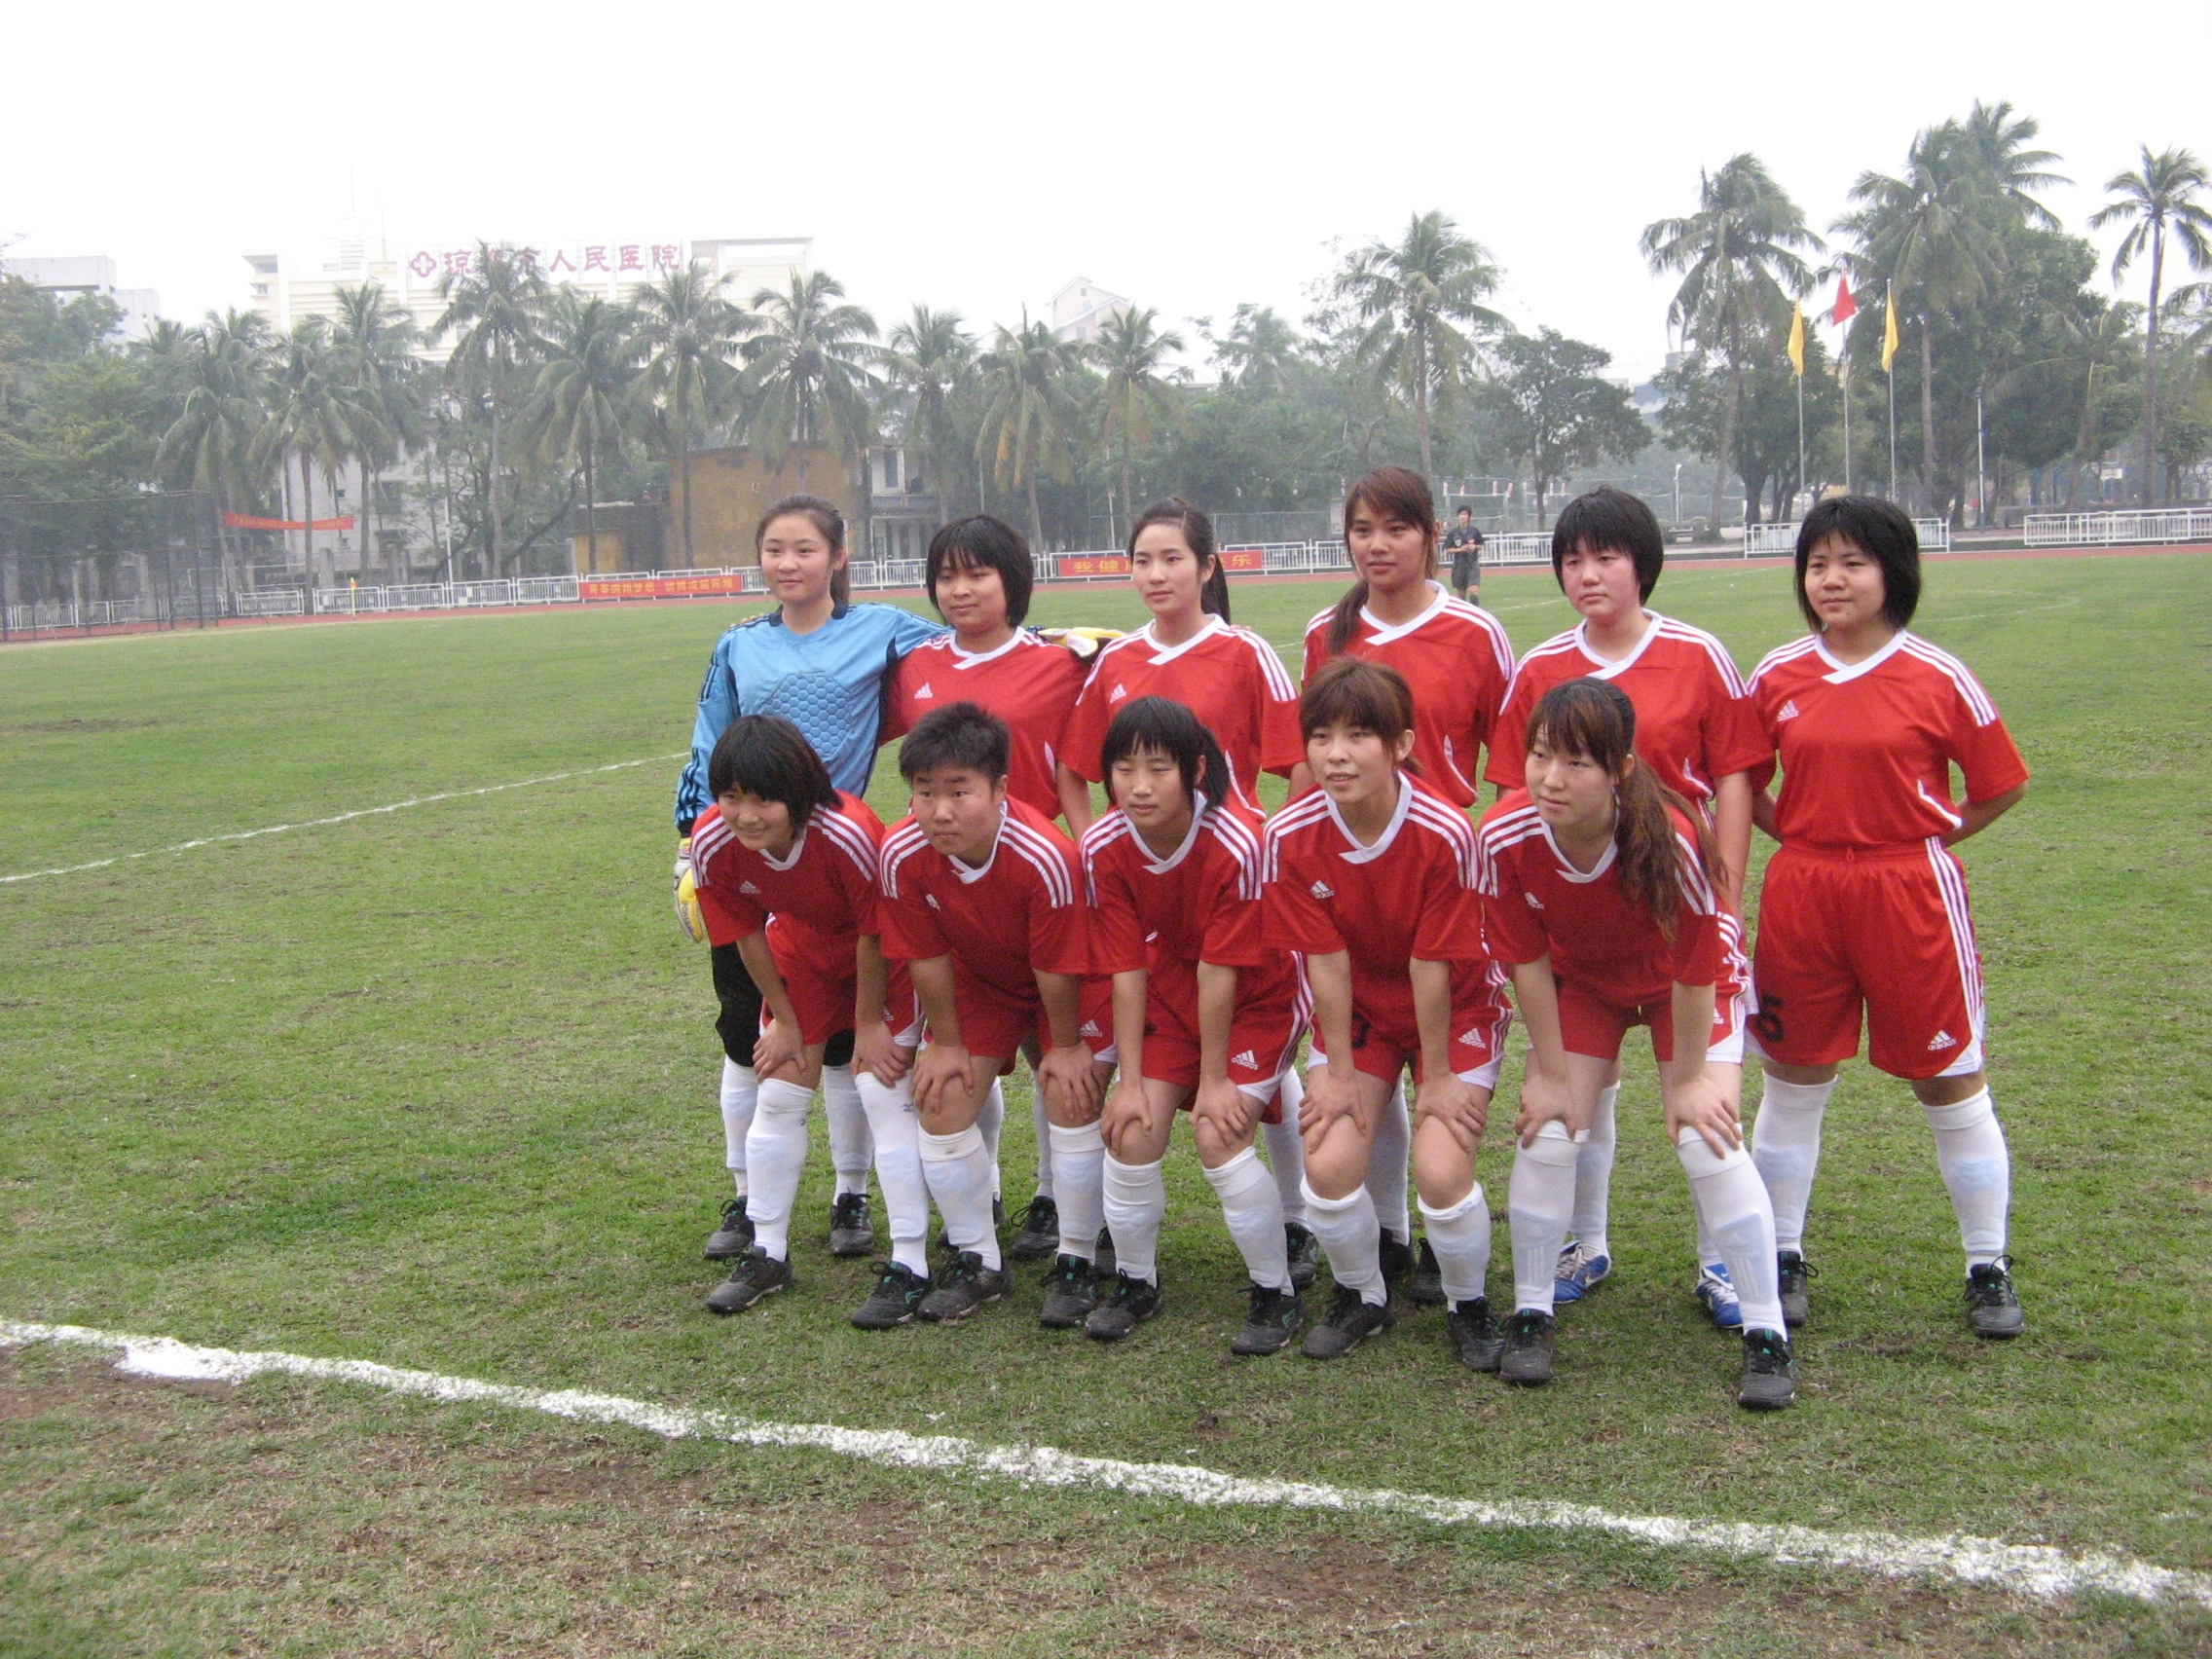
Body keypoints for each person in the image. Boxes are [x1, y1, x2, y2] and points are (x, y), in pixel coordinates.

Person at [1743, 496, 2030, 1339]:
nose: (1831, 580)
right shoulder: (1777, 674)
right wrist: (1797, 833)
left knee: (1949, 1078)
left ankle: (1987, 1265)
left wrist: (1924, 838)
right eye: (1817, 564)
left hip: (1910, 894)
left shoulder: (1938, 675)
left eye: (1852, 563)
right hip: (1804, 893)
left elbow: (2001, 785)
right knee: (1793, 1076)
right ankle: (1781, 1255)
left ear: (1893, 572)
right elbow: (1741, 780)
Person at [1484, 487, 1768, 1329]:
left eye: (1605, 557)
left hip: (1677, 913)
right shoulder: (1541, 668)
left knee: (1703, 1109)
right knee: (1580, 1096)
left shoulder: (1697, 654)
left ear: (1642, 564)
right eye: (1572, 560)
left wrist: (1726, 896)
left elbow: (1733, 776)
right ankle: (1587, 1241)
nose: (1587, 574)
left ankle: (1721, 1261)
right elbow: (1514, 797)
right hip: (1584, 928)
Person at [1480, 680, 1795, 1408]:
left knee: (1704, 1135)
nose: (1551, 779)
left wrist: (1690, 1082)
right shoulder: (1501, 832)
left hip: (1684, 986)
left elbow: (1696, 967)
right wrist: (1551, 1073)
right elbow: (1527, 960)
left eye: (1577, 763)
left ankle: (1767, 1330)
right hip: (1588, 984)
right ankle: (1531, 1312)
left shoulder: (1672, 836)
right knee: (1549, 1128)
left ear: (1620, 768)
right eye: (1539, 756)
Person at [674, 496, 945, 1269]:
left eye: (804, 549)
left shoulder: (883, 630)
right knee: (749, 1036)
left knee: (853, 1053)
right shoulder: (738, 644)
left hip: (833, 854)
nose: (787, 564)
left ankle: (850, 1196)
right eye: (773, 549)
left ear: (838, 557)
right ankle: (747, 1199)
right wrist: (694, 840)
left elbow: (970, 652)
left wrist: (1068, 645)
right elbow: (709, 743)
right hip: (745, 857)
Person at [1058, 497, 1316, 1285]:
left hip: (1233, 884)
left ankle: (1298, 1221)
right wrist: (1101, 851)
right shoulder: (1117, 661)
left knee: (1250, 1073)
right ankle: (1118, 1250)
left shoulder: (1243, 651)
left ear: (1207, 567)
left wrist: (1272, 855)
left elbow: (1297, 764)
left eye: (1173, 558)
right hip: (1154, 896)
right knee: (1179, 1067)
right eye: (1142, 560)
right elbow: (1075, 768)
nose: (1156, 574)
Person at [1302, 464, 1517, 1308]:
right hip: (1356, 889)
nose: (1378, 545)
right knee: (1357, 1103)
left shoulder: (1475, 631)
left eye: (1396, 528)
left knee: (1436, 1130)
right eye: (1362, 530)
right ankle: (1386, 1243)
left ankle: (1451, 1264)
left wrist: (1485, 864)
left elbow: (1510, 765)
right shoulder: (1327, 631)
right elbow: (1311, 763)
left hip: (1443, 875)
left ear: (1433, 536)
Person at [1263, 658, 1512, 1360]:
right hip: (1362, 1011)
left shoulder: (1446, 831)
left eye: (1357, 736)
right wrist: (1339, 1072)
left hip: (1455, 1009)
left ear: (1400, 745)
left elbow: (1434, 966)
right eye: (1321, 737)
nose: (1336, 755)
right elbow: (1326, 961)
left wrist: (1439, 1078)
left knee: (1441, 1170)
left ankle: (1469, 1304)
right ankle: (1363, 1294)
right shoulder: (1288, 835)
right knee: (1327, 1165)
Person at [882, 513, 1095, 1265]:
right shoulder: (914, 668)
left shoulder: (1065, 663)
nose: (961, 589)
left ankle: (1054, 1201)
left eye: (978, 573)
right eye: (947, 576)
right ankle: (985, 1209)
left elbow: (1089, 757)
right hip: (958, 887)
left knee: (1053, 1055)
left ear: (1014, 581)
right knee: (966, 1057)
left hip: (1044, 879)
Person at [686, 717, 934, 1329]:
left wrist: (869, 1022)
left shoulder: (848, 832)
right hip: (802, 957)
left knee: (884, 1092)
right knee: (779, 1091)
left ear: (799, 794)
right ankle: (767, 1252)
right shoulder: (711, 838)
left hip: (882, 959)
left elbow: (876, 930)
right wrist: (787, 1019)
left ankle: (910, 1262)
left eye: (763, 800)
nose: (746, 816)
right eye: (731, 797)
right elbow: (743, 931)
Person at [1081, 697, 1311, 1354]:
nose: (1140, 786)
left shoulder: (1238, 843)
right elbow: (1127, 969)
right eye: (1124, 769)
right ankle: (1135, 1281)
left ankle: (1276, 1292)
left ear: (1196, 770)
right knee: (1131, 1131)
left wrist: (1214, 1081)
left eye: (1158, 768)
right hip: (1176, 994)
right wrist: (1129, 1081)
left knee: (1217, 1130)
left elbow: (1221, 971)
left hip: (1260, 997)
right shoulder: (1103, 843)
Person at [878, 702, 1109, 1325]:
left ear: (1001, 789)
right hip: (982, 984)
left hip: (1065, 983)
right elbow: (925, 955)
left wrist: (1065, 1047)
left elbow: (1058, 968)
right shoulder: (900, 852)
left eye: (960, 791)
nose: (940, 810)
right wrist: (948, 1042)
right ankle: (979, 1258)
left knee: (1072, 1097)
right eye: (925, 791)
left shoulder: (1045, 855)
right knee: (942, 1102)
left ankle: (1079, 1254)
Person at [1444, 505, 1486, 605]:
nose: (1463, 516)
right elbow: (1448, 550)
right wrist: (1460, 549)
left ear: (1469, 516)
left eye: (1465, 514)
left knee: (1473, 591)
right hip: (1459, 565)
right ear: (1458, 516)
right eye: (1461, 514)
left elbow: (1481, 545)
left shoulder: (1474, 531)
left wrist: (1475, 546)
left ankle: (1475, 612)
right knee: (1461, 595)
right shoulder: (1453, 533)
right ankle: (1463, 612)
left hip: (1472, 564)